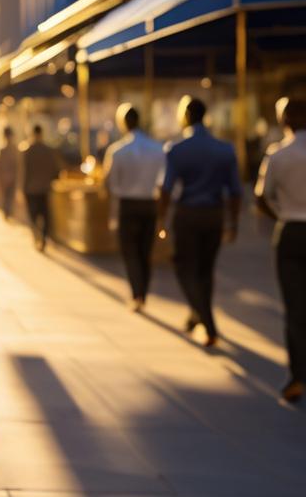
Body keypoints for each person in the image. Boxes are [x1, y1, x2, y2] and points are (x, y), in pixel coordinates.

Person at [157, 96, 241, 347]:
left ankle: (207, 321)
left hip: (188, 215)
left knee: (184, 267)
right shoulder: (225, 149)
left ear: (185, 117)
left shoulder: (176, 149)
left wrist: (162, 219)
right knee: (205, 269)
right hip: (214, 215)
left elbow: (166, 188)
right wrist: (233, 223)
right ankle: (198, 313)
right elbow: (235, 191)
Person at [254, 97, 306, 403]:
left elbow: (261, 197)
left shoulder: (278, 154)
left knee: (295, 307)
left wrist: (282, 215)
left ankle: (297, 377)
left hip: (291, 231)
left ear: (285, 121)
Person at [102, 104, 166, 310]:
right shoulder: (158, 149)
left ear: (123, 123)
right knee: (145, 251)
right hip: (149, 205)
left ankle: (137, 293)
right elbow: (164, 181)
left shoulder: (117, 151)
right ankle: (142, 292)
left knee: (130, 252)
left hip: (127, 206)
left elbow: (109, 183)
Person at [18, 123, 60, 252]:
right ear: (41, 134)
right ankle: (43, 238)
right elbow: (55, 169)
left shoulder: (26, 150)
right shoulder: (48, 150)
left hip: (30, 188)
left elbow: (22, 171)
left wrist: (20, 188)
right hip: (44, 188)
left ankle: (36, 236)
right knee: (45, 214)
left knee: (33, 215)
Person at [0, 125, 19, 220]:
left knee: (7, 196)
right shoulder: (11, 149)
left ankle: (8, 212)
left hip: (6, 178)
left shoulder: (5, 150)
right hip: (9, 178)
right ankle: (8, 212)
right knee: (8, 196)